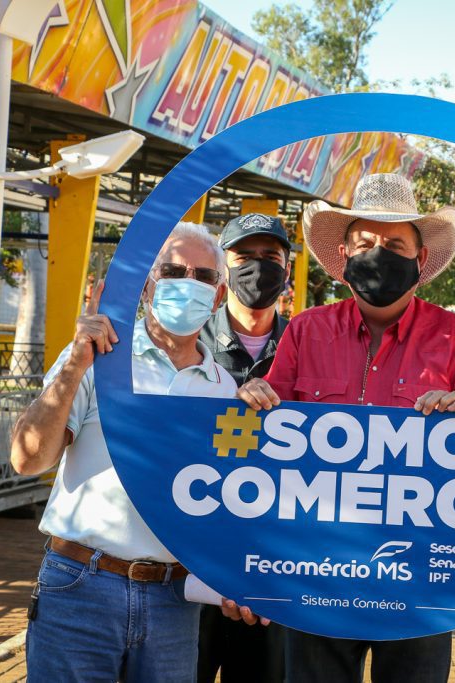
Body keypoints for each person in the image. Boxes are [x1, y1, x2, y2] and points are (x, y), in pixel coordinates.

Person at [234, 173, 455, 683]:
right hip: (316, 567)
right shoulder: (306, 330)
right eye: (365, 244)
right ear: (344, 255)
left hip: (418, 577)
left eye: (394, 245)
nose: (378, 254)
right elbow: (266, 441)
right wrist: (252, 401)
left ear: (421, 258)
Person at [11, 222, 237, 682]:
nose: (188, 283)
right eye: (173, 271)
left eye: (203, 276)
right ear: (147, 285)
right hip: (81, 585)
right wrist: (76, 363)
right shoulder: (99, 358)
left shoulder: (225, 390)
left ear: (218, 296)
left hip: (174, 600)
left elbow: (229, 501)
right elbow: (27, 459)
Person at [196, 212, 291, 683]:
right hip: (192, 557)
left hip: (271, 565)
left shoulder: (307, 343)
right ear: (223, 267)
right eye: (244, 257)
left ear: (288, 269)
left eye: (270, 256)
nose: (258, 267)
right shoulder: (188, 341)